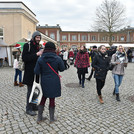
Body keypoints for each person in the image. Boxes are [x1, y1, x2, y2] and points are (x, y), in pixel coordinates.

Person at [34, 42, 65, 124]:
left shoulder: (40, 59)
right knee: (52, 98)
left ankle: (39, 118)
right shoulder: (57, 58)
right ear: (54, 49)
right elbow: (62, 69)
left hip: (44, 80)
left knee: (43, 98)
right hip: (54, 81)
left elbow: (36, 71)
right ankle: (51, 118)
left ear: (45, 49)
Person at [22, 31, 43, 116]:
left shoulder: (39, 46)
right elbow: (25, 58)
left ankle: (34, 105)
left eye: (39, 38)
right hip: (29, 73)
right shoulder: (27, 45)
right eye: (37, 37)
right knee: (30, 91)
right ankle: (28, 108)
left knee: (36, 90)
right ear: (34, 37)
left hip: (37, 73)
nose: (38, 39)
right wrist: (37, 54)